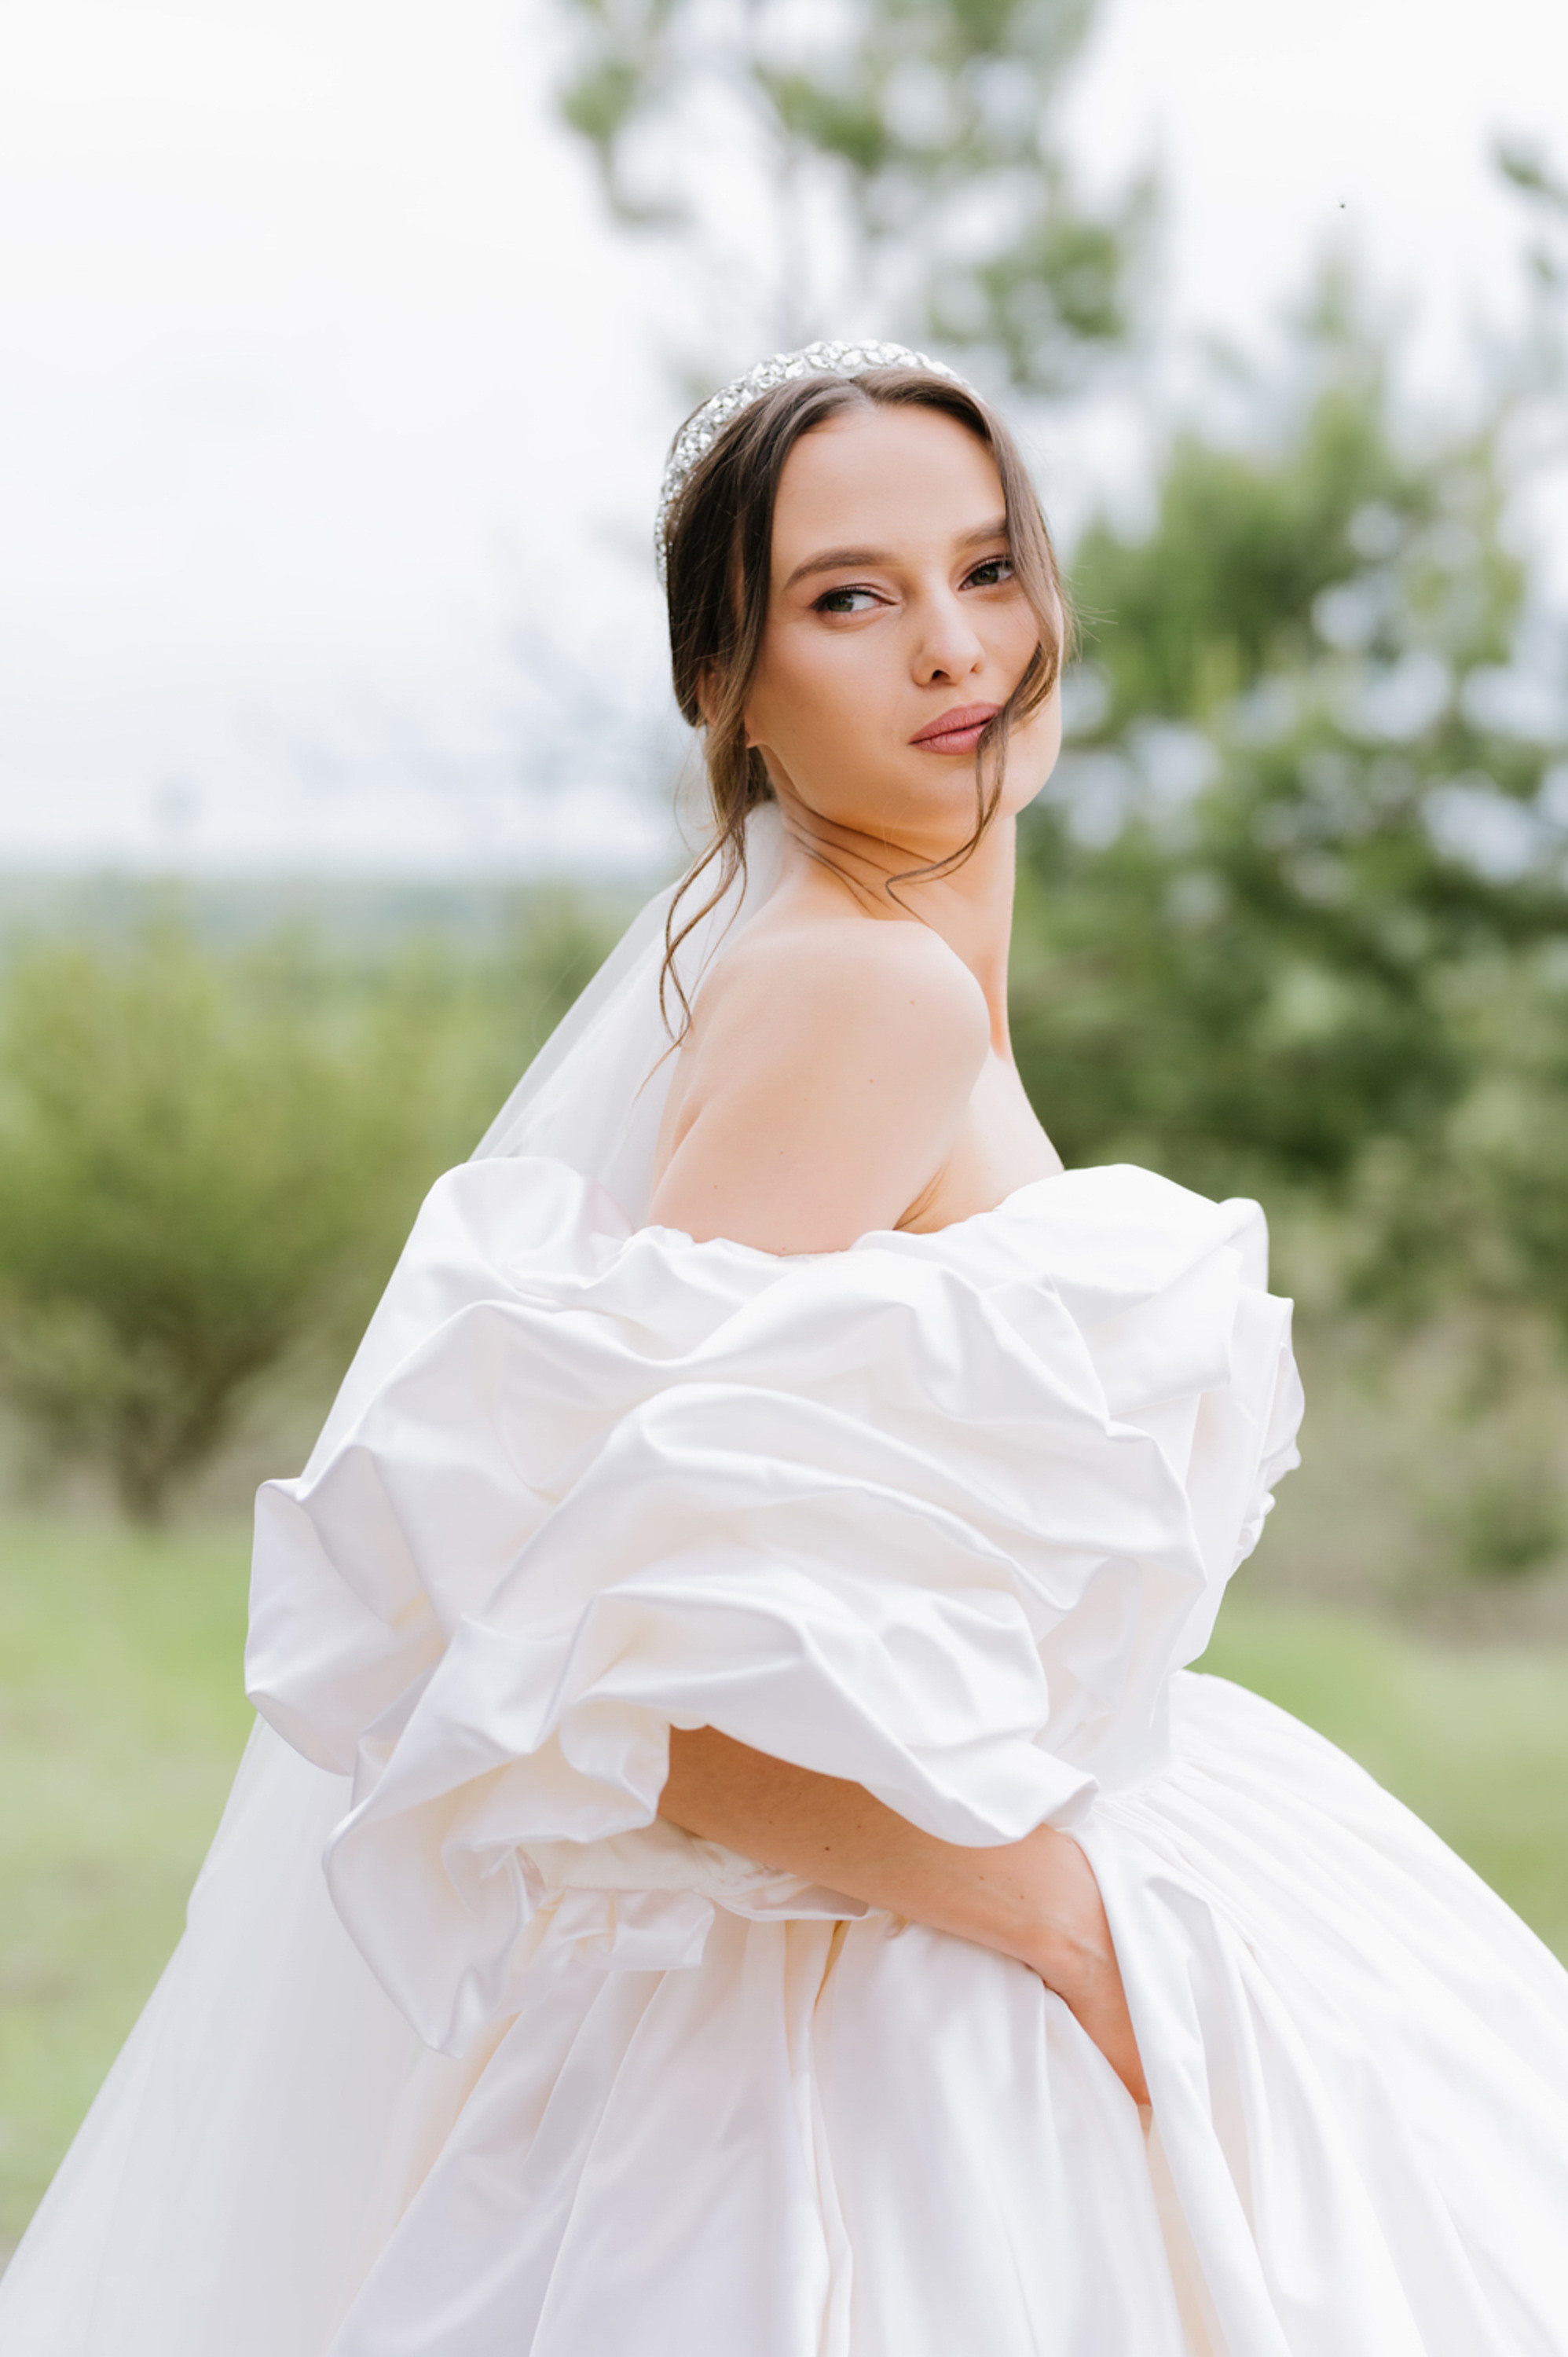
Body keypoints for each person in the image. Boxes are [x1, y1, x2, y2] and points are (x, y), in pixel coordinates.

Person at [3, 340, 1567, 2357]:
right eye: (850, 597)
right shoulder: (862, 1009)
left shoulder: (907, 974)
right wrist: (1048, 1923)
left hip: (1061, 1868)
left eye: (987, 568)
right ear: (723, 684)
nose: (951, 647)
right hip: (890, 2021)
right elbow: (582, 1630)